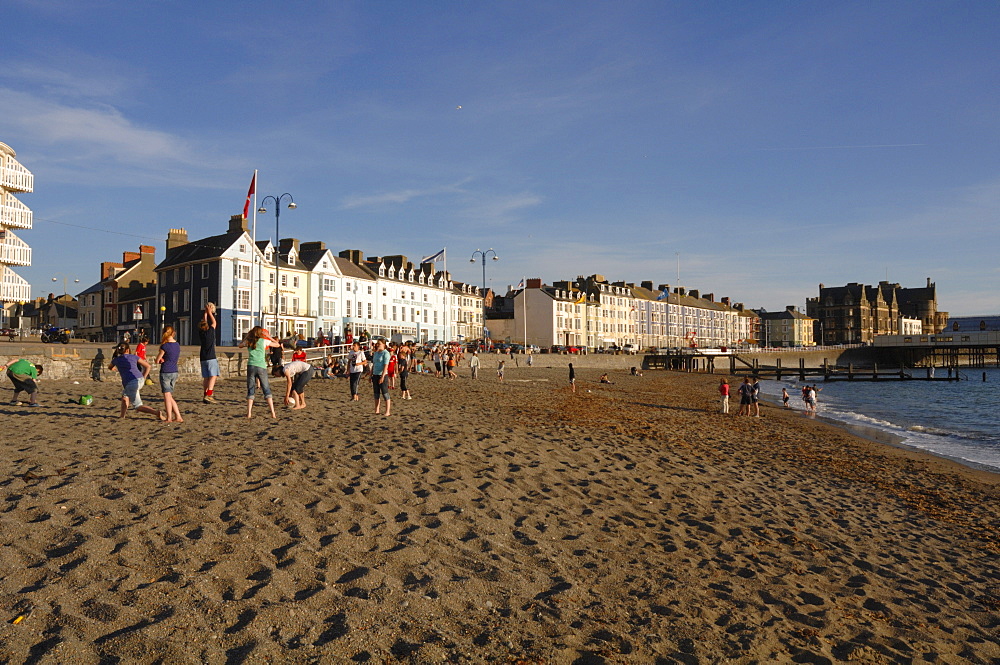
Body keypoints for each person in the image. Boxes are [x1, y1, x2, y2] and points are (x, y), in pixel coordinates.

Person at [108, 343, 162, 420]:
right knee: (125, 396)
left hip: (131, 383)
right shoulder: (134, 357)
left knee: (138, 406)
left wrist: (113, 368)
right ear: (127, 350)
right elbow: (148, 366)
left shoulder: (116, 360)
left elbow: (110, 367)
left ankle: (156, 413)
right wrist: (144, 377)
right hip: (139, 379)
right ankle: (122, 416)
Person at [238, 326, 280, 419]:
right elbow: (277, 344)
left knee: (251, 389)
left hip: (251, 365)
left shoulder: (249, 341)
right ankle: (273, 413)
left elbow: (240, 345)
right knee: (266, 389)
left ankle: (249, 413)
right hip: (261, 366)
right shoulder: (263, 341)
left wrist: (247, 336)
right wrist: (268, 336)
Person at [155, 325, 183, 423]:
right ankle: (178, 416)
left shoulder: (164, 346)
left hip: (166, 370)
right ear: (173, 333)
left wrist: (161, 360)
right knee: (169, 395)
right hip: (174, 371)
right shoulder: (177, 345)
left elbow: (157, 360)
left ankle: (169, 417)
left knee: (166, 396)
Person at [199, 303, 220, 403]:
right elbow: (214, 322)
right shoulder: (210, 331)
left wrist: (205, 313)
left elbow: (204, 322)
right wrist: (210, 313)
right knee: (213, 375)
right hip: (211, 357)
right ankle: (209, 394)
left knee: (206, 377)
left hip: (202, 357)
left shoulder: (201, 332)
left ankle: (204, 394)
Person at [370, 339, 392, 416]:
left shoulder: (386, 353)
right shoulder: (376, 353)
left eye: (379, 344)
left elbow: (386, 366)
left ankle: (387, 411)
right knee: (376, 393)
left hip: (383, 375)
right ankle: (377, 410)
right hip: (375, 374)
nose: (377, 345)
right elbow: (373, 364)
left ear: (384, 345)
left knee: (385, 393)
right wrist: (370, 375)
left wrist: (382, 376)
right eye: (377, 343)